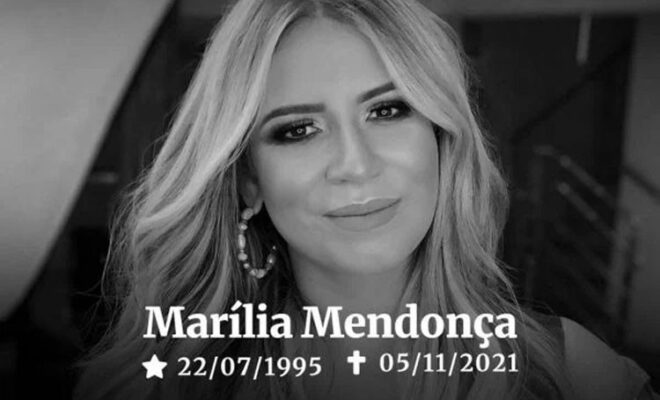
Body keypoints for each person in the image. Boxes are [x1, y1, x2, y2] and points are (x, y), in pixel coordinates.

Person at [74, 0, 659, 399]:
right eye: (297, 130)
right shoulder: (155, 385)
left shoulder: (575, 376)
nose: (355, 165)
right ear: (249, 181)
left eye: (387, 109)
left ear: (441, 138)